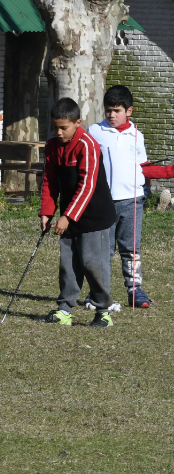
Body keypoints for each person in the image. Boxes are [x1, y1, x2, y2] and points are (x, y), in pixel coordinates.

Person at [88, 85, 174, 309]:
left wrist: (169, 171)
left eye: (117, 110)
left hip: (132, 201)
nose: (111, 115)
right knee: (103, 250)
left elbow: (143, 168)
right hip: (103, 202)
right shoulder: (94, 131)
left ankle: (135, 291)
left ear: (129, 111)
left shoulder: (137, 135)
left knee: (131, 249)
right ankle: (99, 292)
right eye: (108, 110)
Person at [40, 98, 117, 327]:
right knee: (69, 263)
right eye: (56, 127)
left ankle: (103, 310)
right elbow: (49, 181)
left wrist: (67, 216)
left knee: (94, 264)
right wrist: (47, 211)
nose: (59, 132)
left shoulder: (87, 145)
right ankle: (65, 308)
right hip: (69, 215)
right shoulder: (52, 146)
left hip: (95, 215)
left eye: (64, 127)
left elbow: (87, 186)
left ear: (77, 123)